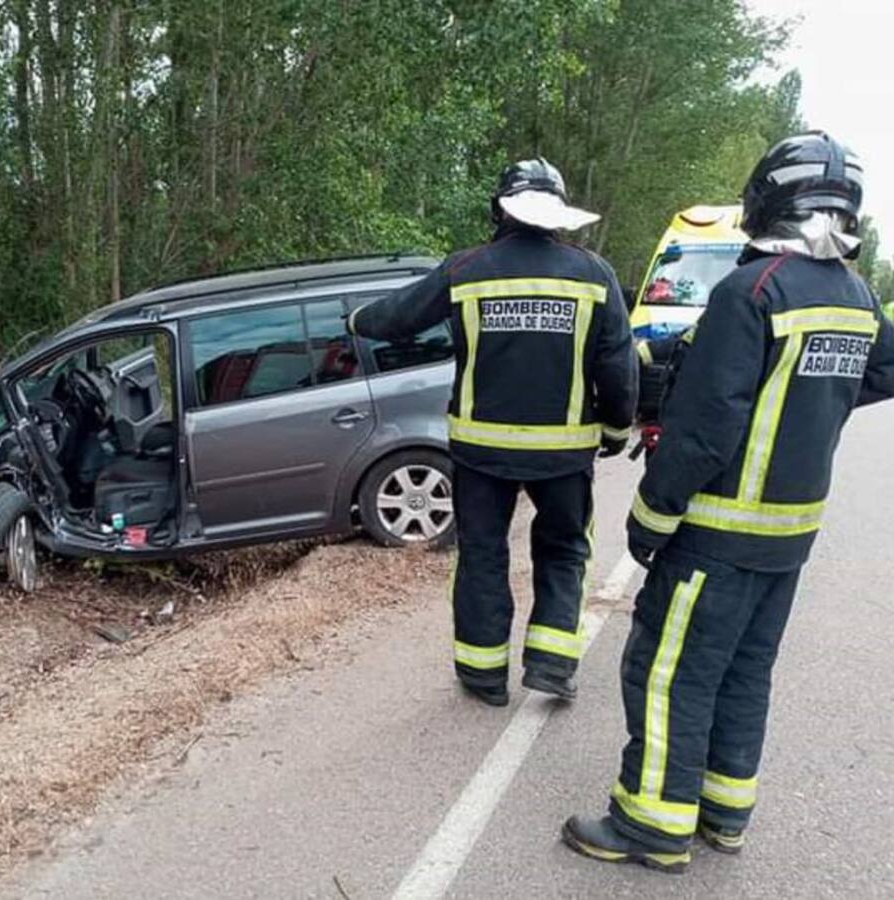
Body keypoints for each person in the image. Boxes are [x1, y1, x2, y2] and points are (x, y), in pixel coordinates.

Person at [563, 132, 894, 872]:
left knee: (667, 672)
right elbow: (886, 369)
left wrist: (650, 519)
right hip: (789, 539)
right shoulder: (854, 294)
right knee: (746, 671)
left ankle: (651, 825)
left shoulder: (751, 290)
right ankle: (723, 812)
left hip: (714, 535)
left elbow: (703, 431)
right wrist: (818, 401)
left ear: (769, 197)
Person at [348, 158, 637, 706]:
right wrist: (618, 429)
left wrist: (353, 319)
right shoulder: (594, 274)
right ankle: (552, 665)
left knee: (482, 555)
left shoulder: (466, 268)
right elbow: (618, 368)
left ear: (498, 209)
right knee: (562, 551)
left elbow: (397, 317)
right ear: (557, 210)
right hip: (564, 454)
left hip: (481, 451)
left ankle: (483, 675)